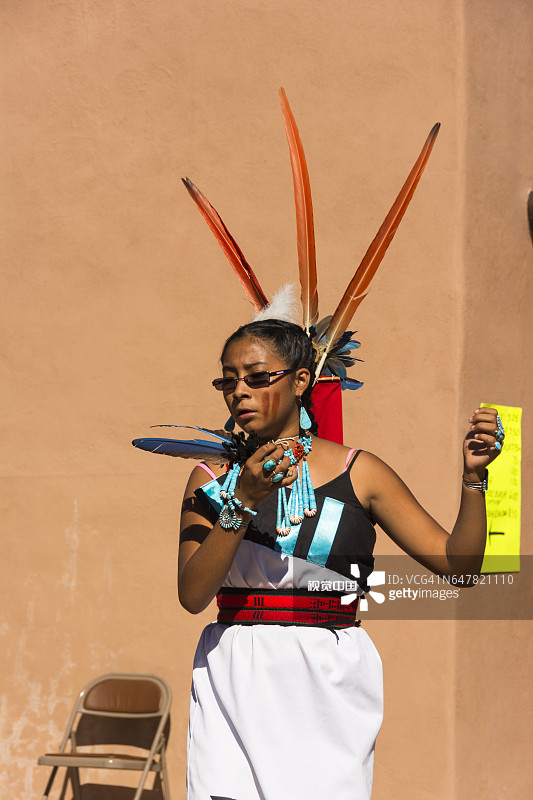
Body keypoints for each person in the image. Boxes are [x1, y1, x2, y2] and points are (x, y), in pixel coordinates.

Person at [178, 317, 503, 800]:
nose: (239, 392)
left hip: (328, 680)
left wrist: (473, 480)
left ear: (301, 380)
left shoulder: (361, 472)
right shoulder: (211, 478)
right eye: (229, 379)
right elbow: (192, 594)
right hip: (234, 673)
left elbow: (462, 569)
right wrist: (241, 502)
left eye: (257, 377)